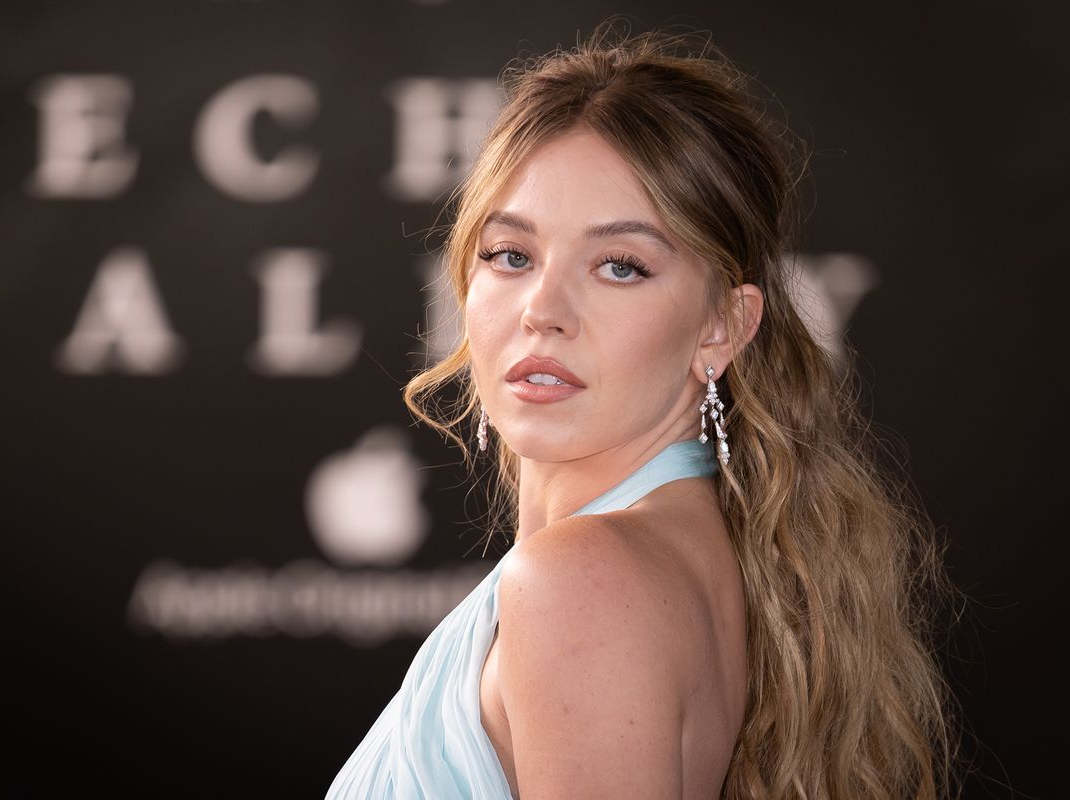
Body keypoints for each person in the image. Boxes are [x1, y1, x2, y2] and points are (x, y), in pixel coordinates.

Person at [327, 21, 960, 800]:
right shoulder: (672, 552)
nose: (543, 310)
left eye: (620, 266)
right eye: (510, 254)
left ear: (722, 326)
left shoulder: (580, 582)